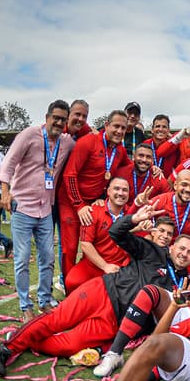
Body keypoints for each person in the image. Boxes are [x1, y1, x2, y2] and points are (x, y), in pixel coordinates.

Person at [0, 204, 190, 376]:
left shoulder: (183, 285)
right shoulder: (153, 250)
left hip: (115, 322)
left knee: (67, 346)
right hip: (103, 291)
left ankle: (23, 338)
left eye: (189, 252)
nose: (184, 254)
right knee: (57, 320)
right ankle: (6, 349)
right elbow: (115, 233)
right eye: (181, 248)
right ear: (172, 247)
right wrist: (134, 219)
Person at [0, 100, 76, 320]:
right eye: (56, 118)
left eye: (63, 119)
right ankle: (25, 306)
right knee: (22, 258)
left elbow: (88, 137)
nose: (59, 122)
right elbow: (8, 164)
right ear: (47, 117)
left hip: (45, 210)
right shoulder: (29, 134)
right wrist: (5, 192)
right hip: (23, 207)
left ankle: (44, 300)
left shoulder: (67, 143)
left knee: (48, 258)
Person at [58, 110, 131, 278]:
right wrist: (79, 205)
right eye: (116, 126)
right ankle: (67, 285)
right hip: (71, 201)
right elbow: (69, 175)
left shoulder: (120, 150)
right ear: (106, 125)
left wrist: (153, 168)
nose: (119, 131)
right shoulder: (88, 142)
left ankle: (88, 285)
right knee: (70, 248)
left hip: (93, 203)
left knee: (92, 244)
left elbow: (131, 168)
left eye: (123, 128)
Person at [64, 177, 131, 295]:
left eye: (125, 190)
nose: (120, 193)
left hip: (120, 266)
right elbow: (85, 244)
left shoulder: (132, 214)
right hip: (94, 264)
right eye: (116, 189)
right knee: (72, 281)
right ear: (108, 191)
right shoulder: (93, 211)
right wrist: (105, 266)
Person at [117, 143, 169, 208]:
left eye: (148, 157)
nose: (144, 160)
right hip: (122, 214)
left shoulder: (158, 178)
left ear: (152, 160)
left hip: (146, 215)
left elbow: (169, 200)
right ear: (134, 156)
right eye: (141, 156)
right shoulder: (121, 173)